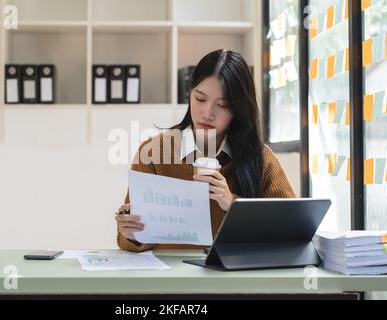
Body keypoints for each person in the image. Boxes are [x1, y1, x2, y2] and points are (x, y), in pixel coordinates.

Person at [115, 49, 296, 252]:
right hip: (173, 280)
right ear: (190, 94)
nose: (207, 113)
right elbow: (131, 241)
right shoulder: (153, 153)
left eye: (223, 105)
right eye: (200, 99)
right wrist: (130, 234)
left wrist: (233, 204)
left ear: (239, 109)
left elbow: (291, 229)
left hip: (235, 280)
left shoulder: (259, 158)